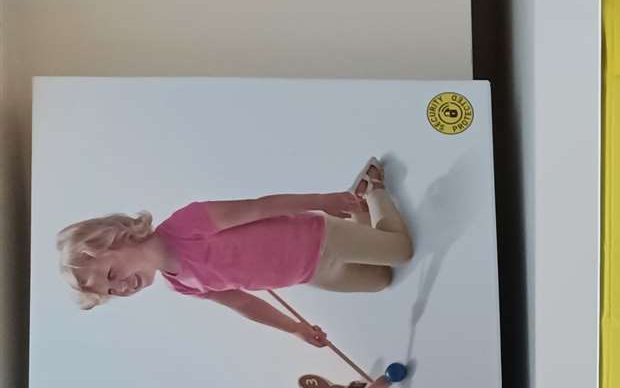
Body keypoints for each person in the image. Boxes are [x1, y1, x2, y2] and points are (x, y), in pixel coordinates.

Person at [57, 158, 412, 350]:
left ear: (116, 239)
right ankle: (360, 209)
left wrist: (322, 201)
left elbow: (260, 208)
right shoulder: (181, 285)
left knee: (401, 251)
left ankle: (373, 192)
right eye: (110, 294)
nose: (119, 289)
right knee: (381, 279)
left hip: (319, 237)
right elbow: (243, 304)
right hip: (311, 274)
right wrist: (296, 329)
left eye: (109, 276)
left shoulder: (186, 223)